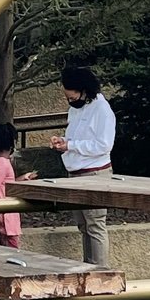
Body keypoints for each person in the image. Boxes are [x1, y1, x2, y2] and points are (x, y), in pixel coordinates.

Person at [48, 61, 116, 266]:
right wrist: (63, 142)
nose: (70, 101)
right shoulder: (76, 109)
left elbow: (104, 145)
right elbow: (74, 136)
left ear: (84, 91)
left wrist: (71, 145)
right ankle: (89, 266)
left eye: (73, 97)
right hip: (75, 172)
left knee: (95, 224)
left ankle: (101, 271)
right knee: (83, 225)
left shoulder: (102, 110)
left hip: (95, 174)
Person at [0, 121, 33, 249]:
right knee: (12, 252)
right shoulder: (3, 163)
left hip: (3, 217)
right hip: (5, 219)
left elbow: (3, 184)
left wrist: (20, 179)